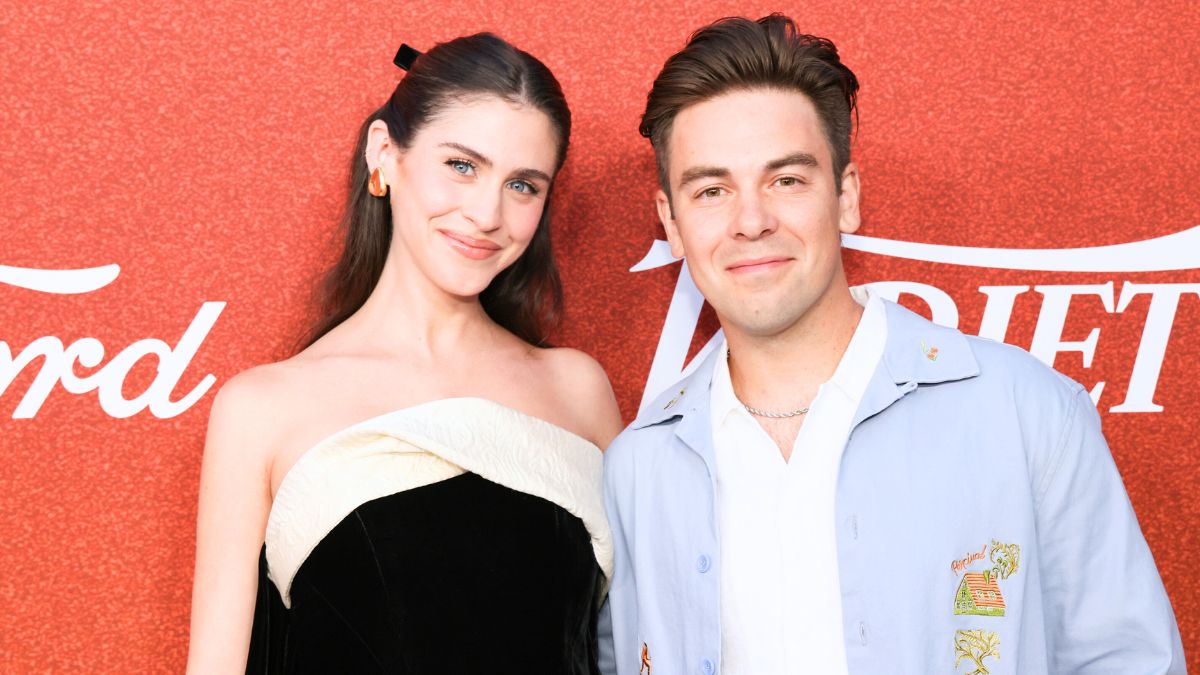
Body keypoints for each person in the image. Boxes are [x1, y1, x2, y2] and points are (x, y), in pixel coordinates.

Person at [599, 15, 1185, 675]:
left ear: (845, 197)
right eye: (711, 190)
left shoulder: (1027, 414)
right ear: (671, 224)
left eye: (786, 180)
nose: (752, 219)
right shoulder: (637, 469)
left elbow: (1130, 661)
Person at [187, 33, 622, 674]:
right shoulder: (263, 409)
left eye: (524, 185)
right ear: (385, 155)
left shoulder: (576, 389)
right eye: (462, 166)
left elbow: (631, 641)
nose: (485, 213)